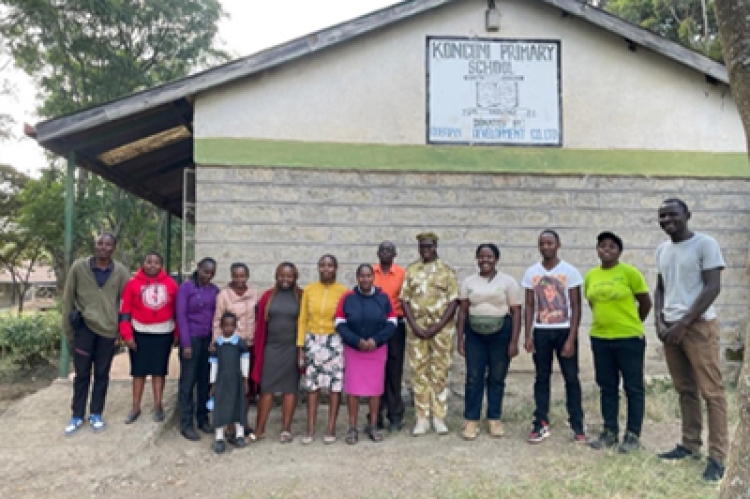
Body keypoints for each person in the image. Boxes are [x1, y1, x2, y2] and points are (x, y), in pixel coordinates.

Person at [655, 198, 728, 482]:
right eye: (662, 216)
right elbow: (660, 287)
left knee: (712, 392)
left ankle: (718, 457)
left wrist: (684, 323)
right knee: (685, 389)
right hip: (671, 329)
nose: (667, 220)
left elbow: (713, 287)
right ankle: (689, 444)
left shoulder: (705, 244)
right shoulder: (662, 249)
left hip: (698, 327)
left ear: (687, 215)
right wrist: (660, 320)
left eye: (672, 214)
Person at [584, 232, 652, 453]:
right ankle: (609, 433)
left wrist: (632, 323)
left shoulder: (630, 273)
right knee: (607, 387)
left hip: (629, 339)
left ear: (619, 252)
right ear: (597, 249)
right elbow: (593, 304)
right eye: (602, 246)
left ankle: (632, 436)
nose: (606, 249)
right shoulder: (591, 276)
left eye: (612, 246)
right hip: (601, 339)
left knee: (633, 388)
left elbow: (645, 302)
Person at [61, 233, 129, 435]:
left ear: (113, 248)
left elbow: (125, 303)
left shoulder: (120, 272)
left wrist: (121, 331)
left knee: (101, 375)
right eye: (100, 243)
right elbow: (68, 299)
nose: (103, 247)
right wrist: (68, 330)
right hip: (83, 329)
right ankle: (76, 415)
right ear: (94, 245)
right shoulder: (79, 268)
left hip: (108, 331)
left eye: (108, 244)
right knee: (81, 375)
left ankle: (96, 413)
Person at [522, 229, 585, 444]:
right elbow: (529, 305)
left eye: (550, 243)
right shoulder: (532, 272)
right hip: (541, 331)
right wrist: (528, 334)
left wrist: (571, 338)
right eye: (542, 243)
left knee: (571, 378)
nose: (546, 247)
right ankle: (540, 423)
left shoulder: (570, 272)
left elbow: (576, 306)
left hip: (564, 330)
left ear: (558, 245)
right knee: (541, 377)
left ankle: (577, 426)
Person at [457, 243, 522, 440]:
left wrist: (513, 341)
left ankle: (494, 418)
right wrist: (460, 339)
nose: (485, 260)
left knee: (496, 377)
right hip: (474, 335)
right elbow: (463, 311)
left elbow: (516, 311)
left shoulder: (508, 281)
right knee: (473, 377)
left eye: (489, 256)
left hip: (501, 334)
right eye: (481, 257)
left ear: (496, 259)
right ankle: (471, 419)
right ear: (477, 259)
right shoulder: (468, 281)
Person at [401, 232, 458, 436]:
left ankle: (439, 417)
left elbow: (453, 302)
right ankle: (422, 418)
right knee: (419, 372)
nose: (425, 250)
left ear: (435, 247)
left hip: (441, 331)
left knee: (440, 372)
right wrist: (414, 325)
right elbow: (404, 300)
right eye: (422, 247)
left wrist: (438, 326)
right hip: (417, 330)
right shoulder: (411, 271)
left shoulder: (447, 272)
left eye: (429, 246)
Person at [336, 264, 397, 444]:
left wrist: (375, 340)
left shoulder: (383, 298)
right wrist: (356, 341)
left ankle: (372, 426)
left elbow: (392, 322)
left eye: (368, 276)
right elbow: (339, 323)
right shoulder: (348, 298)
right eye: (362, 276)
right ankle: (352, 428)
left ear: (373, 277)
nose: (365, 279)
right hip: (354, 349)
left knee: (375, 390)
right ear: (357, 278)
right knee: (353, 390)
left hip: (376, 350)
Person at [120, 252, 179, 424]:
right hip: (139, 332)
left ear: (161, 265)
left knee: (159, 371)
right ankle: (136, 406)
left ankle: (158, 405)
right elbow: (124, 312)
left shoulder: (171, 284)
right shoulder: (132, 285)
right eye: (148, 262)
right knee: (138, 371)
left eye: (156, 262)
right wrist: (127, 335)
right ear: (143, 263)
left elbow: (178, 311)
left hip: (163, 333)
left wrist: (177, 333)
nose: (152, 265)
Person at [297, 254, 348, 444]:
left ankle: (331, 428)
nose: (326, 269)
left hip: (334, 340)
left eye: (330, 266)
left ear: (336, 268)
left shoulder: (343, 292)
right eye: (323, 265)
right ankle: (310, 429)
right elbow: (302, 319)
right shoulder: (309, 290)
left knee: (335, 386)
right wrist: (300, 346)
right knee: (312, 386)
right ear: (318, 268)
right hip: (312, 341)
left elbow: (345, 319)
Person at [252, 262, 303, 443]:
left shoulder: (301, 296)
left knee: (290, 389)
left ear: (295, 277)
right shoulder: (268, 296)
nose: (285, 279)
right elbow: (259, 323)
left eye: (289, 276)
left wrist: (301, 351)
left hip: (291, 349)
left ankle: (286, 428)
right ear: (276, 276)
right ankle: (259, 429)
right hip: (271, 348)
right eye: (282, 275)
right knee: (266, 389)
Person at [176, 257, 219, 441]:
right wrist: (185, 343)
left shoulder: (215, 290)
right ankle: (186, 423)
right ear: (198, 268)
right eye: (205, 271)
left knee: (205, 382)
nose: (207, 276)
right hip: (191, 339)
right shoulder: (186, 288)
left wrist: (215, 341)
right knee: (188, 382)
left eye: (211, 273)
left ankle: (202, 419)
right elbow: (181, 315)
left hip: (208, 340)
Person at [213, 262, 258, 435]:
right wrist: (216, 342)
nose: (239, 279)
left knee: (245, 387)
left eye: (243, 276)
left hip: (249, 345)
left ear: (247, 276)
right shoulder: (224, 295)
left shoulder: (252, 294)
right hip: (230, 346)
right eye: (236, 276)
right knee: (230, 386)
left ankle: (242, 421)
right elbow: (218, 320)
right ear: (231, 276)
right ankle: (229, 423)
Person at [373, 241, 407, 432]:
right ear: (377, 253)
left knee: (394, 371)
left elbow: (405, 300)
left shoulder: (402, 274)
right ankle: (375, 414)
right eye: (382, 250)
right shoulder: (370, 272)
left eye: (389, 250)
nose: (385, 253)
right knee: (377, 371)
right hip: (374, 327)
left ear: (395, 254)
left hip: (395, 325)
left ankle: (395, 415)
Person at [209, 312, 251, 454]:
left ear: (235, 326)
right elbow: (214, 364)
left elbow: (245, 361)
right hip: (221, 380)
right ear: (221, 327)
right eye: (226, 325)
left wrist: (245, 379)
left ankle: (239, 435)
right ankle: (219, 438)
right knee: (220, 407)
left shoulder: (239, 343)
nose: (229, 328)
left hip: (236, 379)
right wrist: (213, 383)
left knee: (237, 405)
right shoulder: (218, 345)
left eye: (232, 325)